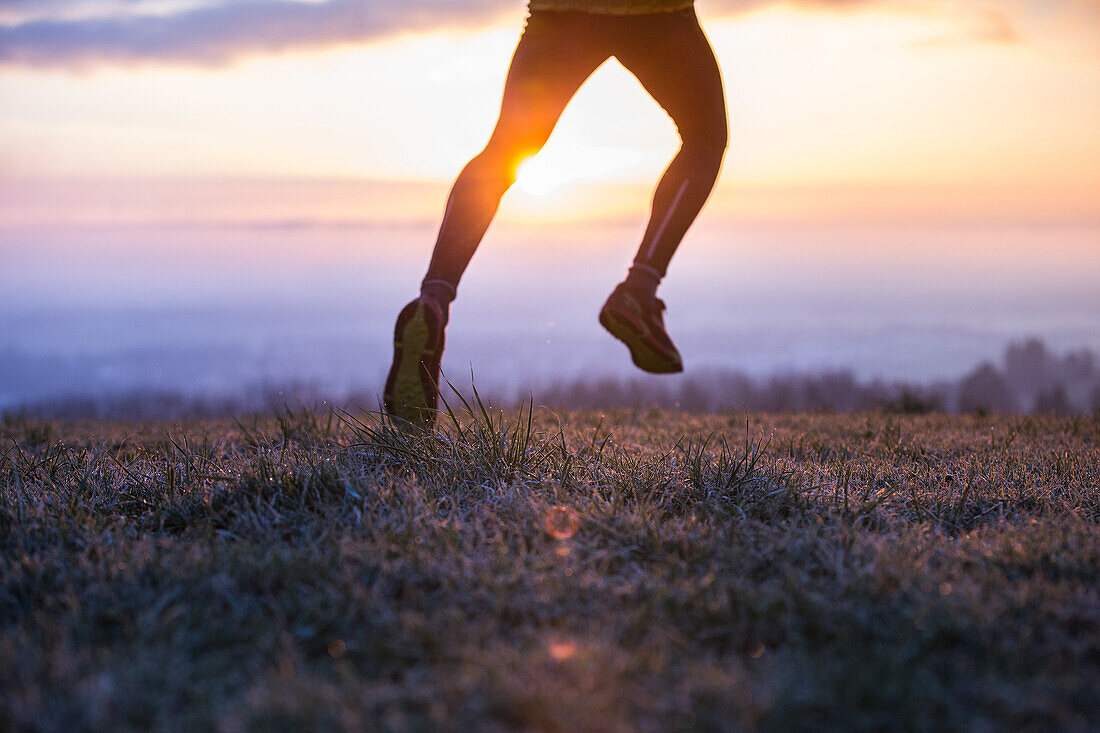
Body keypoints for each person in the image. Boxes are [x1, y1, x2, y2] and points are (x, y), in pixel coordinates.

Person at [385, 0, 728, 427]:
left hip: (559, 11)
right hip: (655, 11)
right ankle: (639, 288)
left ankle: (433, 299)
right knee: (705, 139)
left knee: (504, 150)